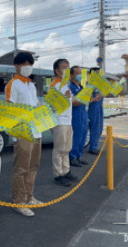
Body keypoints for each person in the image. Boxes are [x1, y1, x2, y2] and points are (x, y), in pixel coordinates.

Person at [5, 52, 42, 217]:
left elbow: (34, 105)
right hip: (22, 131)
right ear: (17, 65)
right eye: (25, 64)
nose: (28, 67)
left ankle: (28, 197)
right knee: (21, 168)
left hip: (36, 130)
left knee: (33, 166)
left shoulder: (31, 84)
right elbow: (10, 108)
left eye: (30, 64)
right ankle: (18, 201)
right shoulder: (13, 84)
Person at [49, 59, 78, 187]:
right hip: (59, 121)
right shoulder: (54, 85)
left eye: (68, 67)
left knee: (67, 149)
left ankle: (66, 171)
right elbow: (53, 105)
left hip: (68, 120)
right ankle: (58, 174)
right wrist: (64, 98)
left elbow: (69, 102)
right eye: (64, 68)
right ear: (57, 70)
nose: (67, 70)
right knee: (59, 149)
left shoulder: (66, 84)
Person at [69, 66, 92, 167]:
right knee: (76, 137)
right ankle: (72, 157)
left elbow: (84, 100)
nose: (79, 76)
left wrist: (93, 98)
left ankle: (78, 155)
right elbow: (73, 102)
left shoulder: (81, 87)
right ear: (71, 75)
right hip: (75, 114)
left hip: (83, 113)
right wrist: (83, 99)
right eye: (77, 73)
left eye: (80, 74)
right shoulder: (70, 87)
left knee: (83, 136)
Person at [87, 67, 103, 155]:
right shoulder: (90, 85)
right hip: (93, 109)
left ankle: (94, 146)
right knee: (95, 128)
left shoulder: (99, 85)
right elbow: (87, 99)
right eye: (97, 73)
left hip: (99, 108)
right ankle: (92, 147)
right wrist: (94, 99)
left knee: (99, 128)